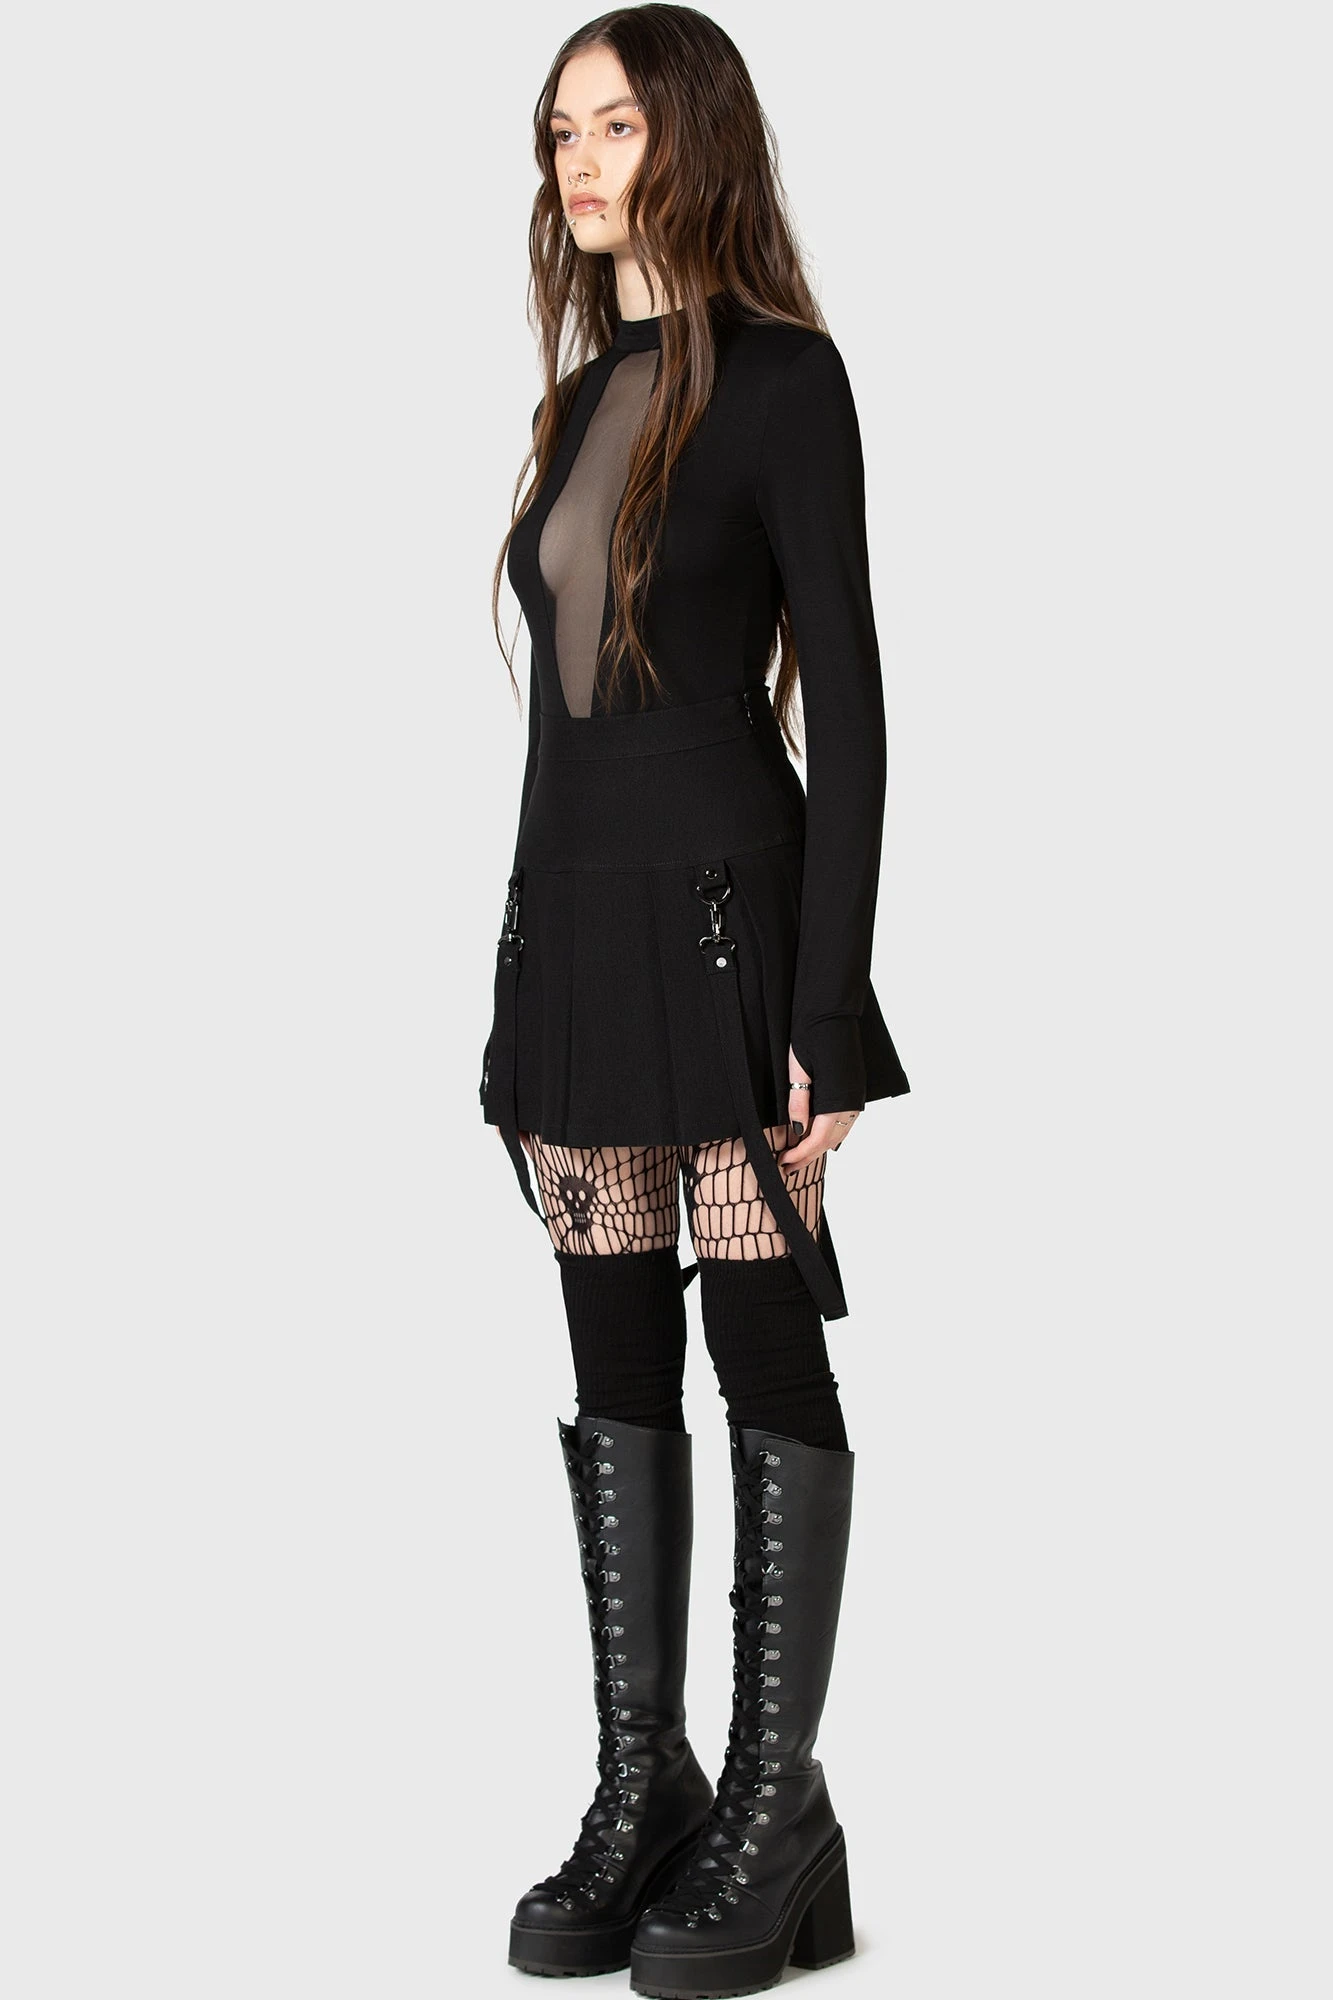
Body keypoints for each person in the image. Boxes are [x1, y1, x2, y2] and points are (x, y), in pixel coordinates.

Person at [478, 9, 910, 1992]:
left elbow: (857, 707)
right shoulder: (583, 396)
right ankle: (642, 1779)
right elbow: (561, 736)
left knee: (759, 1347)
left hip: (737, 932)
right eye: (558, 129)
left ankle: (777, 1805)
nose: (578, 159)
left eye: (615, 124)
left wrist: (832, 1007)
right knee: (611, 1363)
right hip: (578, 933)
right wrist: (514, 980)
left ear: (695, 139)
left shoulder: (788, 382)